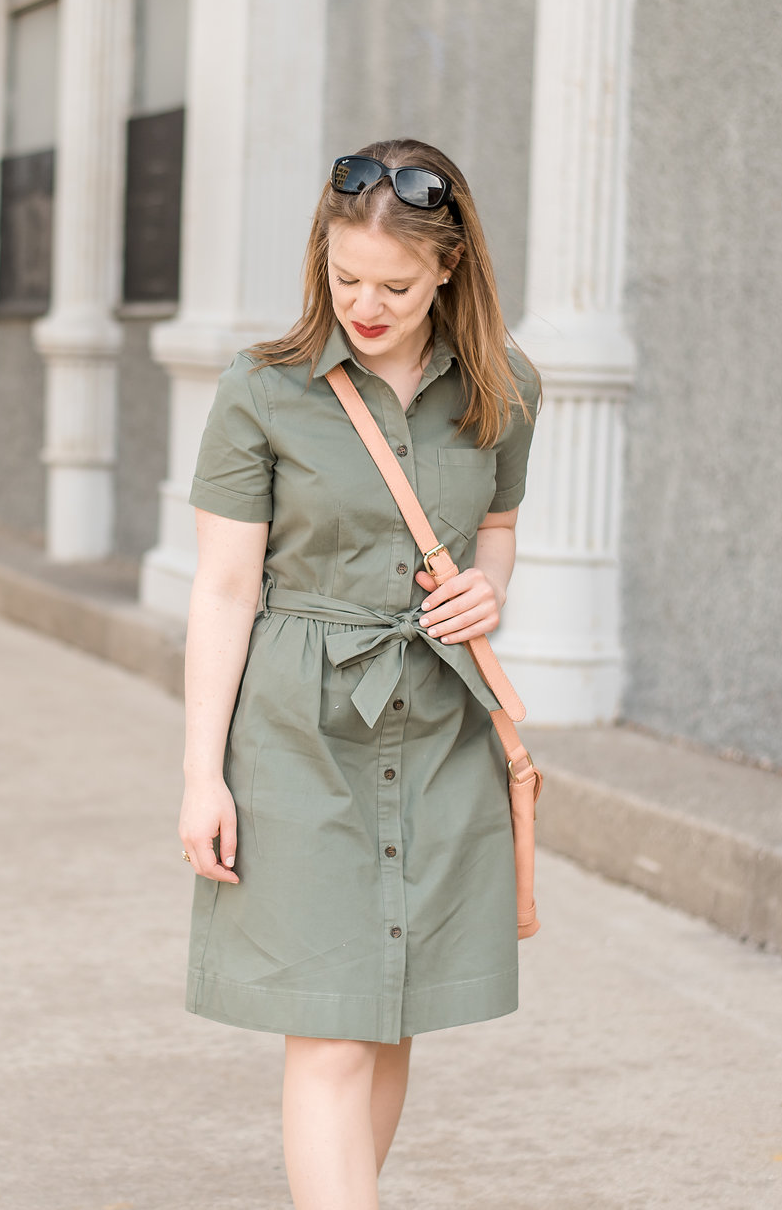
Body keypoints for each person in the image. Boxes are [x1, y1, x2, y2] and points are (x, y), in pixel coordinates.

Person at [178, 139, 542, 1210]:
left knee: (388, 1014)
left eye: (391, 283)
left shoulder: (505, 384)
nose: (364, 305)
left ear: (447, 266)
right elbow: (222, 588)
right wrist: (203, 772)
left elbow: (499, 527)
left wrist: (488, 586)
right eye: (343, 280)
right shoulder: (262, 387)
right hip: (297, 728)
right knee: (332, 1030)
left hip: (437, 723)